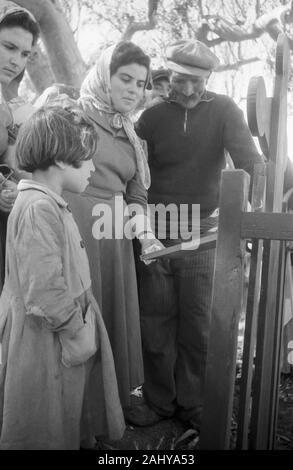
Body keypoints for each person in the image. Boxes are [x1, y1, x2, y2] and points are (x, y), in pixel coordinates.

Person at [134, 39, 265, 429]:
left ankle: (193, 403)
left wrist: (252, 209)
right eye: (179, 80)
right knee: (156, 319)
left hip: (205, 233)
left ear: (209, 77)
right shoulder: (151, 116)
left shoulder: (225, 110)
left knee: (197, 320)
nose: (188, 90)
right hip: (156, 231)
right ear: (167, 73)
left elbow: (250, 163)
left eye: (197, 81)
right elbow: (136, 174)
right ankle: (158, 401)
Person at [0, 103, 125, 450]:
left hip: (61, 328)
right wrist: (76, 330)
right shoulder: (38, 208)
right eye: (86, 159)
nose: (93, 168)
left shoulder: (48, 202)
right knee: (45, 414)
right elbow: (45, 289)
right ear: (59, 157)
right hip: (49, 335)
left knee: (68, 404)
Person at [64, 41, 163, 414]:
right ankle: (71, 418)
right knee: (77, 319)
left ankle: (106, 413)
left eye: (140, 83)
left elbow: (137, 196)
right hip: (74, 226)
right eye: (125, 79)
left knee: (109, 321)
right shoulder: (70, 115)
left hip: (115, 236)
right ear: (105, 75)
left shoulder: (134, 137)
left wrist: (146, 236)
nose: (133, 90)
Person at [0, 1, 40, 293]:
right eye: (9, 47)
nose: (17, 60)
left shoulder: (17, 104)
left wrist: (22, 189)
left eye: (24, 53)